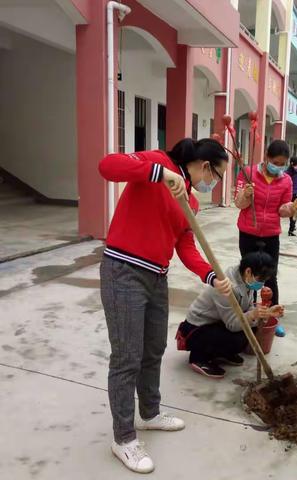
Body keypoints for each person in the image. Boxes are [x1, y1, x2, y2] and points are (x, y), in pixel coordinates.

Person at [98, 138, 232, 474]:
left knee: (153, 349)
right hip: (123, 270)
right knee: (127, 355)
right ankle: (124, 438)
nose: (214, 183)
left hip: (157, 277)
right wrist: (157, 172)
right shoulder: (158, 162)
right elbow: (108, 166)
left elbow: (186, 246)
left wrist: (211, 275)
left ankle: (150, 413)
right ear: (204, 166)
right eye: (216, 175)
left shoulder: (190, 201)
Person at [176, 251, 284, 378]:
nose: (261, 284)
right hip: (197, 329)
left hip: (219, 322)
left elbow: (247, 308)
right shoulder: (228, 286)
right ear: (248, 271)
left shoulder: (244, 278)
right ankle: (199, 358)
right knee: (237, 338)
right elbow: (233, 324)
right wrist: (253, 315)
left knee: (251, 328)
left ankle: (220, 353)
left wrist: (266, 312)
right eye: (261, 279)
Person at [234, 140, 297, 335]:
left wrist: (292, 208)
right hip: (248, 232)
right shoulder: (248, 173)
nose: (278, 167)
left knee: (270, 276)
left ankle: (273, 316)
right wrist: (246, 195)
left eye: (283, 164)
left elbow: (282, 210)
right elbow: (239, 204)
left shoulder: (286, 180)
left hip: (271, 234)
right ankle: (248, 316)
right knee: (248, 276)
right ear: (266, 157)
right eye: (275, 162)